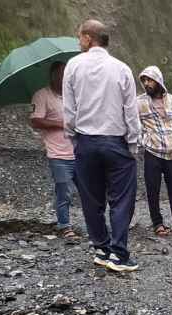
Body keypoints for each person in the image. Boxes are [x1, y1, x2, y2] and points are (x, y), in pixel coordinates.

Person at [62, 19, 142, 272]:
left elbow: (69, 109)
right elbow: (130, 111)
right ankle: (118, 254)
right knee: (121, 199)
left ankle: (101, 248)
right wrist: (133, 143)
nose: (78, 42)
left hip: (86, 141)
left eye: (79, 37)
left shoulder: (73, 66)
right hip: (116, 142)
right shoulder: (121, 69)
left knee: (91, 199)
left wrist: (74, 137)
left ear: (88, 38)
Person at [137, 66, 172, 235]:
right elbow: (134, 125)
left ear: (159, 80)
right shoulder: (139, 102)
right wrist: (143, 142)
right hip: (152, 152)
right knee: (152, 189)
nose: (147, 83)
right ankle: (158, 223)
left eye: (150, 80)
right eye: (144, 80)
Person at [30, 61, 77, 239]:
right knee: (64, 190)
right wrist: (61, 124)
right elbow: (35, 120)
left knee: (89, 190)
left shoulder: (73, 95)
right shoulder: (42, 95)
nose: (64, 77)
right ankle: (65, 225)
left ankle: (92, 224)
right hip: (58, 153)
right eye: (60, 74)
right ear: (53, 75)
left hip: (80, 151)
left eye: (67, 74)